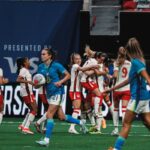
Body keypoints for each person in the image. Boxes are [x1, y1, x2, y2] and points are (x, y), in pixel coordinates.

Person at [35, 48, 88, 146]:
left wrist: (60, 82)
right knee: (61, 117)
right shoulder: (40, 67)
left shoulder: (56, 65)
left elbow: (68, 75)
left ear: (50, 56)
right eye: (41, 54)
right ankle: (81, 123)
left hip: (58, 92)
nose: (41, 56)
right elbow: (41, 81)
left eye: (44, 54)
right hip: (49, 93)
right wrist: (37, 84)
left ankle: (46, 140)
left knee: (50, 114)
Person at [106, 37, 150, 150]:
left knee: (126, 124)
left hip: (138, 98)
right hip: (144, 97)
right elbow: (128, 80)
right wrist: (111, 89)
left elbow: (148, 79)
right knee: (146, 122)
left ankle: (116, 149)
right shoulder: (139, 61)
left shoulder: (135, 63)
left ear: (128, 50)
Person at [111, 46, 131, 136]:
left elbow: (115, 76)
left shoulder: (116, 63)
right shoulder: (130, 63)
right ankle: (124, 129)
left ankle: (115, 129)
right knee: (124, 109)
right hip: (126, 89)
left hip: (117, 89)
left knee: (115, 109)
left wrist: (110, 76)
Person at [16, 57, 37, 134]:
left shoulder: (25, 70)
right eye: (28, 60)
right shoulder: (24, 70)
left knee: (32, 109)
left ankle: (22, 125)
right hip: (27, 92)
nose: (29, 62)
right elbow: (18, 80)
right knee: (34, 110)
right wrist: (29, 82)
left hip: (27, 92)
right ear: (24, 63)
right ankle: (26, 127)